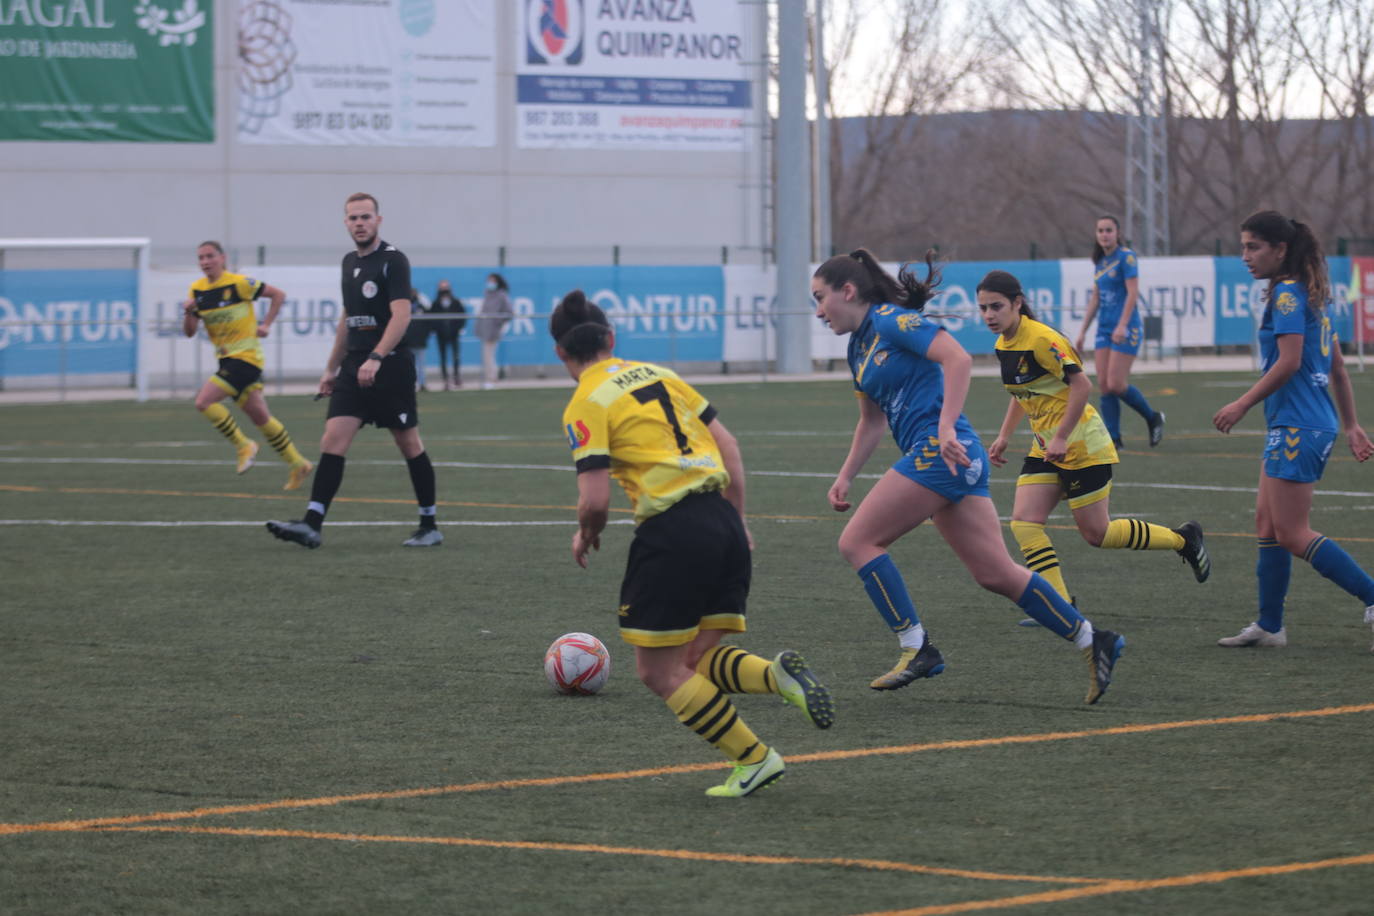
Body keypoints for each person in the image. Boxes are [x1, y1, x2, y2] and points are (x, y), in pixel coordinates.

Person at [552, 288, 834, 798]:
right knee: (694, 660)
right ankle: (777, 677)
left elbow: (593, 500)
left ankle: (754, 758)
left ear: (560, 353)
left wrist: (586, 534)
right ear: (611, 339)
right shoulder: (663, 374)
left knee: (657, 671)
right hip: (721, 518)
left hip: (673, 530)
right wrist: (739, 520)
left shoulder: (585, 402)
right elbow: (729, 445)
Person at [813, 249, 1125, 704]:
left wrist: (942, 427)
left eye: (821, 298)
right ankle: (1093, 640)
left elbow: (957, 359)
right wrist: (846, 476)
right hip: (954, 458)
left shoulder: (888, 321)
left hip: (940, 453)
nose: (818, 311)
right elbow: (872, 421)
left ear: (848, 291)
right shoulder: (857, 347)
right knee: (995, 573)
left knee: (856, 542)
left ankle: (916, 646)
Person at [977, 269, 1210, 628]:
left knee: (1097, 534)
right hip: (1048, 448)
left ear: (1017, 304)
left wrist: (1061, 436)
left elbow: (1083, 387)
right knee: (1024, 522)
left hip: (1083, 445)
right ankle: (1058, 603)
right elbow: (1023, 393)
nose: (989, 315)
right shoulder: (1003, 345)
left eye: (996, 306)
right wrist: (1005, 435)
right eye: (983, 308)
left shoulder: (1042, 339)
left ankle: (1183, 539)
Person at [1212, 211, 1374, 650]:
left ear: (1280, 250)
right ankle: (1270, 625)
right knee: (1267, 524)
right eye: (1243, 246)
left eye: (1253, 247)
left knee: (1292, 532)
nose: (1245, 256)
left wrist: (1242, 403)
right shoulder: (1310, 293)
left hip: (1299, 426)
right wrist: (1352, 425)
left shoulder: (1286, 295)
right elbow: (1337, 369)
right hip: (1305, 423)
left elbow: (1290, 362)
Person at [266, 192, 443, 550]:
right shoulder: (348, 262)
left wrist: (377, 357)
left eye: (365, 217)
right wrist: (331, 368)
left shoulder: (394, 261)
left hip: (389, 366)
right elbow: (347, 320)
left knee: (408, 442)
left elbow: (402, 316)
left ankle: (429, 524)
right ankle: (312, 524)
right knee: (333, 439)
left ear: (378, 220)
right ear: (345, 223)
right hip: (353, 366)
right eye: (353, 218)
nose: (359, 223)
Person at [182, 241, 313, 491]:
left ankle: (243, 445)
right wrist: (188, 312)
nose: (205, 262)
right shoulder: (196, 290)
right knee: (260, 416)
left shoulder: (239, 283)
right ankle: (298, 463)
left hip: (245, 358)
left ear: (222, 258)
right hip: (227, 359)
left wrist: (266, 324)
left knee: (204, 402)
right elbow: (189, 332)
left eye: (210, 256)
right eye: (200, 258)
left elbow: (278, 295)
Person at [1074, 215, 1166, 449]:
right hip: (1104, 328)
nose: (1104, 234)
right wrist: (1083, 331)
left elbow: (1133, 293)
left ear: (1117, 233)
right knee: (1104, 385)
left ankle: (1152, 417)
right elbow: (1096, 297)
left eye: (1109, 230)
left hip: (1127, 327)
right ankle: (1114, 439)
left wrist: (1123, 324)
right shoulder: (1100, 261)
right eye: (1100, 230)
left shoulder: (1126, 257)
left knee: (1116, 383)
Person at [475, 272, 512, 389]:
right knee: (486, 355)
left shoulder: (502, 295)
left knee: (489, 355)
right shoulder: (487, 294)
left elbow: (509, 313)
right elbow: (483, 312)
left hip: (493, 330)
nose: (490, 283)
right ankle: (489, 378)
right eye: (488, 281)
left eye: (492, 281)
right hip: (484, 330)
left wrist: (497, 320)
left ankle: (491, 378)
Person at [430, 279, 466, 389]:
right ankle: (445, 379)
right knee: (443, 357)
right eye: (442, 287)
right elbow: (432, 319)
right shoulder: (435, 303)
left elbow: (462, 317)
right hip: (441, 335)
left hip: (454, 333)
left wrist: (456, 328)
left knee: (456, 356)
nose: (444, 290)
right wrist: (438, 329)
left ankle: (456, 377)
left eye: (446, 287)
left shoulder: (456, 302)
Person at [401, 287, 431, 392]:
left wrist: (425, 336)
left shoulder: (422, 307)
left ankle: (422, 384)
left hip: (420, 340)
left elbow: (428, 323)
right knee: (408, 365)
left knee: (421, 364)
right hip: (407, 341)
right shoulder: (404, 307)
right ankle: (410, 384)